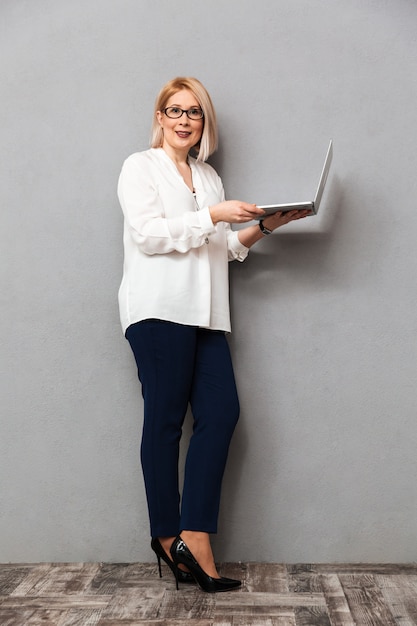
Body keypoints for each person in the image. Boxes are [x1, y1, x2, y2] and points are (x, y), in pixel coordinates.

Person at [117, 76, 309, 593]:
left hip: (205, 314)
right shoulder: (140, 167)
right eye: (174, 110)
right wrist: (212, 216)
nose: (184, 120)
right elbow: (148, 235)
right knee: (164, 423)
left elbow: (219, 248)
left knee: (221, 414)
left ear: (205, 123)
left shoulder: (208, 177)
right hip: (158, 310)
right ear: (159, 117)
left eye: (194, 112)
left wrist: (269, 224)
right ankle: (166, 535)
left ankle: (194, 533)